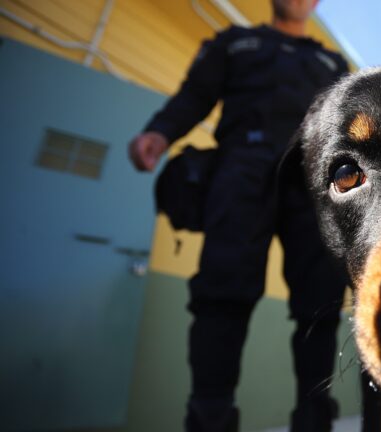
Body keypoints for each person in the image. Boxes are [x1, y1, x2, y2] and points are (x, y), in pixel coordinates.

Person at [128, 1, 349, 431]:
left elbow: (348, 126)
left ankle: (314, 419)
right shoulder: (235, 43)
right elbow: (194, 95)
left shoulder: (332, 62)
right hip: (241, 173)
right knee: (222, 289)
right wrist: (160, 131)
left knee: (320, 303)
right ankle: (210, 417)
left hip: (311, 180)